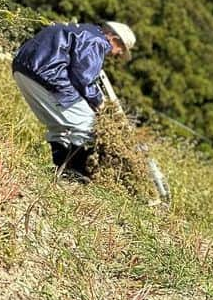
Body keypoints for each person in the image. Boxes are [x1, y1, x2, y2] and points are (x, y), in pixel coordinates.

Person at [12, 21, 136, 181]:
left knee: (59, 124)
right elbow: (83, 78)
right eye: (121, 50)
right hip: (46, 75)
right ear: (114, 39)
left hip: (23, 68)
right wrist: (99, 103)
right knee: (90, 124)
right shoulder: (97, 40)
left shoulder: (83, 31)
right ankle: (74, 173)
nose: (118, 55)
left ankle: (61, 167)